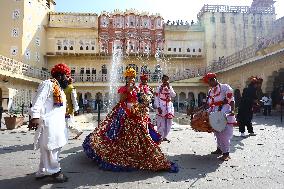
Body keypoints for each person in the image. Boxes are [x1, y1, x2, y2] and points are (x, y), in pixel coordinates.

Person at [82, 68, 178, 173]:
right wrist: (128, 101)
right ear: (126, 78)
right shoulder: (123, 89)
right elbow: (122, 101)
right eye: (129, 77)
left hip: (137, 113)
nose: (132, 79)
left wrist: (143, 102)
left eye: (133, 77)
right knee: (123, 134)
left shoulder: (137, 88)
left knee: (142, 134)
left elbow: (139, 99)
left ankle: (139, 152)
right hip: (127, 113)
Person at [28, 63, 70, 182]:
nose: (68, 79)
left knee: (51, 147)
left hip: (57, 123)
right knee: (50, 147)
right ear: (61, 76)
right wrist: (34, 116)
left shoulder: (58, 87)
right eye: (67, 76)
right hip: (49, 123)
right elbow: (37, 101)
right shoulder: (48, 84)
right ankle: (55, 171)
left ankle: (42, 171)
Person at [203, 73, 237, 161]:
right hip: (214, 114)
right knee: (217, 133)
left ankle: (226, 153)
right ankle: (219, 149)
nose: (208, 84)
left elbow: (231, 100)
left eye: (208, 82)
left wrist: (232, 111)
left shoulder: (225, 87)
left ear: (213, 79)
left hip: (224, 112)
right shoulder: (210, 91)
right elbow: (208, 104)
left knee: (224, 134)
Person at [138, 73, 161, 144]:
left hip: (146, 108)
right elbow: (137, 98)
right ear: (141, 80)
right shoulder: (138, 87)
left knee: (146, 122)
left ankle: (146, 137)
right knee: (141, 122)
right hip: (140, 108)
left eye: (146, 80)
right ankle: (142, 138)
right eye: (143, 80)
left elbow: (153, 97)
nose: (145, 81)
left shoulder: (149, 88)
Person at [154, 75, 176, 142]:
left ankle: (165, 136)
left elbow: (173, 95)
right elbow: (156, 98)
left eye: (167, 80)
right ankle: (160, 136)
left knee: (169, 122)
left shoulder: (170, 87)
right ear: (162, 80)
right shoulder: (159, 88)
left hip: (168, 106)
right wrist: (158, 107)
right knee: (161, 122)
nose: (165, 81)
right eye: (164, 80)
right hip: (161, 106)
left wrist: (169, 87)